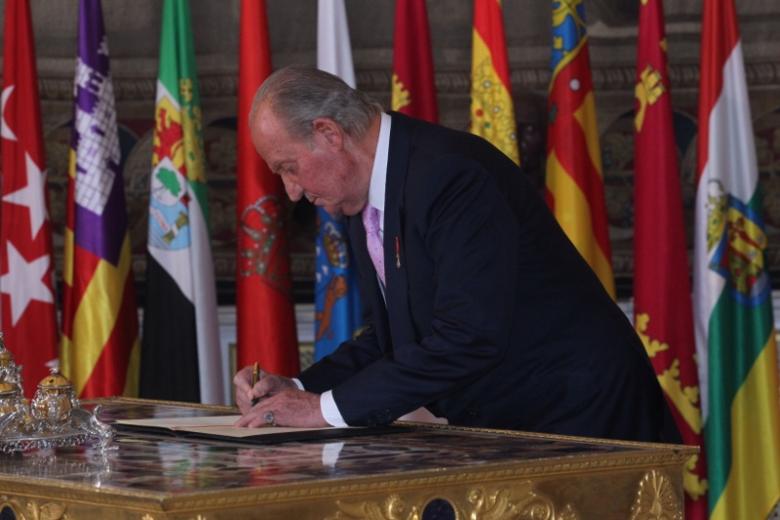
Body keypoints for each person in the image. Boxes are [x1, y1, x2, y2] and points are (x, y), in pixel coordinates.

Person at [234, 65, 679, 442]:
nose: (291, 191)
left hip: (586, 421)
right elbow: (395, 338)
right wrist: (296, 388)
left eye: (288, 168)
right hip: (517, 426)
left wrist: (323, 411)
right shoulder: (362, 198)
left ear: (328, 133)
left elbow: (468, 336)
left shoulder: (450, 175)